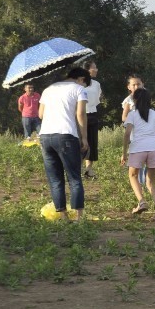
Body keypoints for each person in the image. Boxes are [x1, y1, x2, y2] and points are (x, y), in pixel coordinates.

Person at [38, 66, 90, 221]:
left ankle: (63, 216)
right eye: (85, 83)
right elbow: (80, 114)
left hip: (46, 136)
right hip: (66, 135)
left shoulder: (48, 89)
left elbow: (40, 114)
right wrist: (85, 138)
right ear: (81, 79)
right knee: (74, 177)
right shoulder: (78, 90)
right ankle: (79, 217)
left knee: (55, 179)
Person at [121, 88, 155, 219]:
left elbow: (126, 134)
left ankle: (142, 201)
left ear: (134, 100)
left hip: (138, 149)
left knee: (133, 176)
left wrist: (124, 153)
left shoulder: (132, 114)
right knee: (151, 183)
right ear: (149, 101)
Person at [122, 75, 147, 187]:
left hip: (146, 131)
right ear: (129, 87)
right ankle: (138, 181)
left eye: (139, 84)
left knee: (146, 155)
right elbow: (124, 117)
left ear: (143, 85)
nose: (136, 86)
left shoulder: (146, 97)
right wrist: (133, 121)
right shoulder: (128, 100)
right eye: (134, 84)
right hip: (134, 132)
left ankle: (145, 181)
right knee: (137, 155)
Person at [82, 61, 103, 177]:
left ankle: (88, 169)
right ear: (87, 70)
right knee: (80, 142)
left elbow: (97, 99)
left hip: (93, 114)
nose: (96, 70)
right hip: (80, 115)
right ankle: (78, 169)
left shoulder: (96, 84)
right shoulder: (79, 83)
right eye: (94, 68)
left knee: (92, 142)